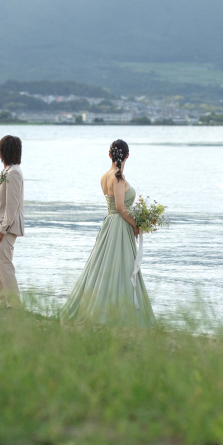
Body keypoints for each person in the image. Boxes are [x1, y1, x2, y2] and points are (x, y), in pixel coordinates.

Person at [59, 138, 155, 327]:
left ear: (109, 155)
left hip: (109, 223)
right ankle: (118, 312)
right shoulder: (118, 177)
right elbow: (120, 206)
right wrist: (136, 225)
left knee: (102, 266)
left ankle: (102, 304)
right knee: (123, 266)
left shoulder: (104, 176)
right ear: (127, 156)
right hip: (119, 224)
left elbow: (115, 205)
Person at [0, 134, 24, 306]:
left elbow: (12, 203)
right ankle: (4, 302)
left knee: (5, 266)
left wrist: (3, 227)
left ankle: (14, 304)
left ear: (4, 152)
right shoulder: (7, 171)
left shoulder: (14, 172)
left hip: (4, 227)